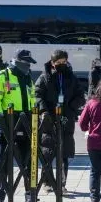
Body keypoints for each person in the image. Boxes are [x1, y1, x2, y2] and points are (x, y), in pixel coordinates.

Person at [0, 49, 37, 202]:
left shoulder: (28, 78)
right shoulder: (2, 76)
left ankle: (30, 196)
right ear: (17, 62)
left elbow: (32, 99)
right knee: (3, 161)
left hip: (26, 119)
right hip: (8, 120)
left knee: (28, 161)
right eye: (26, 63)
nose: (28, 66)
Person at [35, 49, 84, 191]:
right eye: (58, 62)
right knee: (47, 151)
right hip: (49, 118)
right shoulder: (45, 77)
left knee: (64, 153)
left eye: (64, 61)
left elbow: (80, 96)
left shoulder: (72, 77)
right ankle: (47, 181)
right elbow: (38, 95)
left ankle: (61, 183)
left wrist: (70, 108)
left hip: (66, 117)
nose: (61, 64)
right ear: (52, 62)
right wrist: (44, 111)